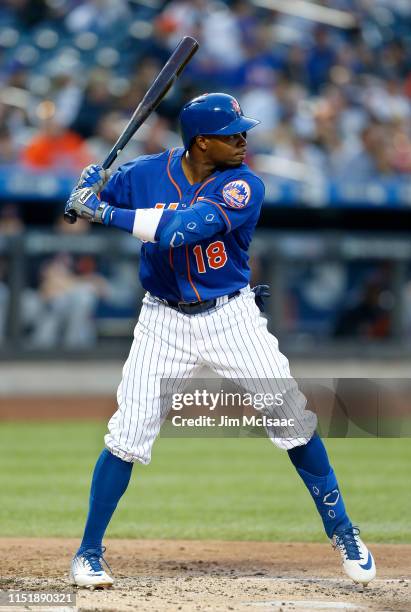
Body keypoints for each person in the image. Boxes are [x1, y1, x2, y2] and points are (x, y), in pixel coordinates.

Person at [65, 93, 376, 589]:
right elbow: (89, 202)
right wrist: (88, 187)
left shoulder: (242, 184)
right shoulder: (145, 174)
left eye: (242, 130)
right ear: (201, 142)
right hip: (161, 322)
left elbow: (179, 231)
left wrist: (101, 212)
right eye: (232, 133)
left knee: (291, 419)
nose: (243, 139)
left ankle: (344, 533)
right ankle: (88, 553)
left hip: (231, 317)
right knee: (127, 433)